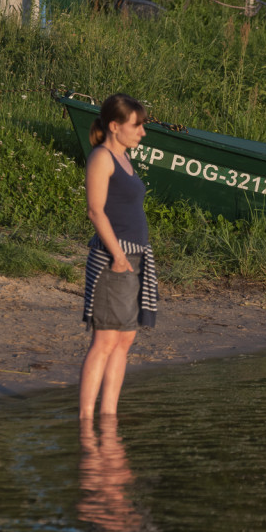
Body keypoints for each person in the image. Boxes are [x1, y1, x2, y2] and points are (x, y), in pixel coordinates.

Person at [79, 94, 158, 419]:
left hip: (136, 257)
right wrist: (119, 256)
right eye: (136, 125)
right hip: (115, 260)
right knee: (105, 341)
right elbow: (95, 211)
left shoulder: (124, 157)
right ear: (115, 126)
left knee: (124, 341)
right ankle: (85, 419)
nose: (142, 132)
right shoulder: (102, 157)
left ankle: (109, 417)